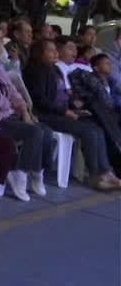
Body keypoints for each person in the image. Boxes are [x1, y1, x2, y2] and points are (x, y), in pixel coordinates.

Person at [23, 39, 121, 191]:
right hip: (45, 115)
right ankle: (95, 176)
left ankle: (106, 171)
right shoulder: (36, 71)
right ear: (39, 53)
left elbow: (61, 96)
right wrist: (65, 111)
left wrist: (73, 105)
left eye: (55, 49)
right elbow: (40, 101)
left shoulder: (53, 70)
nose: (55, 53)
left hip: (61, 111)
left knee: (97, 127)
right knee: (88, 132)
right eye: (50, 50)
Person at [0, 36, 53, 201]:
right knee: (34, 132)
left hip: (11, 114)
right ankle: (19, 173)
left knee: (47, 132)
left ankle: (36, 172)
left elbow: (14, 92)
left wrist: (24, 110)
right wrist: (10, 105)